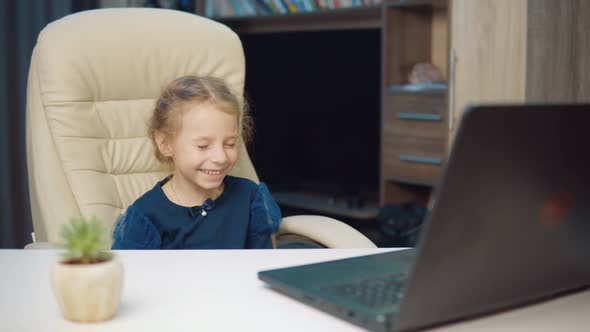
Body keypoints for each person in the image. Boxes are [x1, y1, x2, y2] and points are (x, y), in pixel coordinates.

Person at [111, 75, 281, 249]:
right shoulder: (146, 216)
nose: (220, 157)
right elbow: (130, 274)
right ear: (165, 144)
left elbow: (267, 263)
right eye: (203, 146)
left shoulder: (250, 197)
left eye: (230, 143)